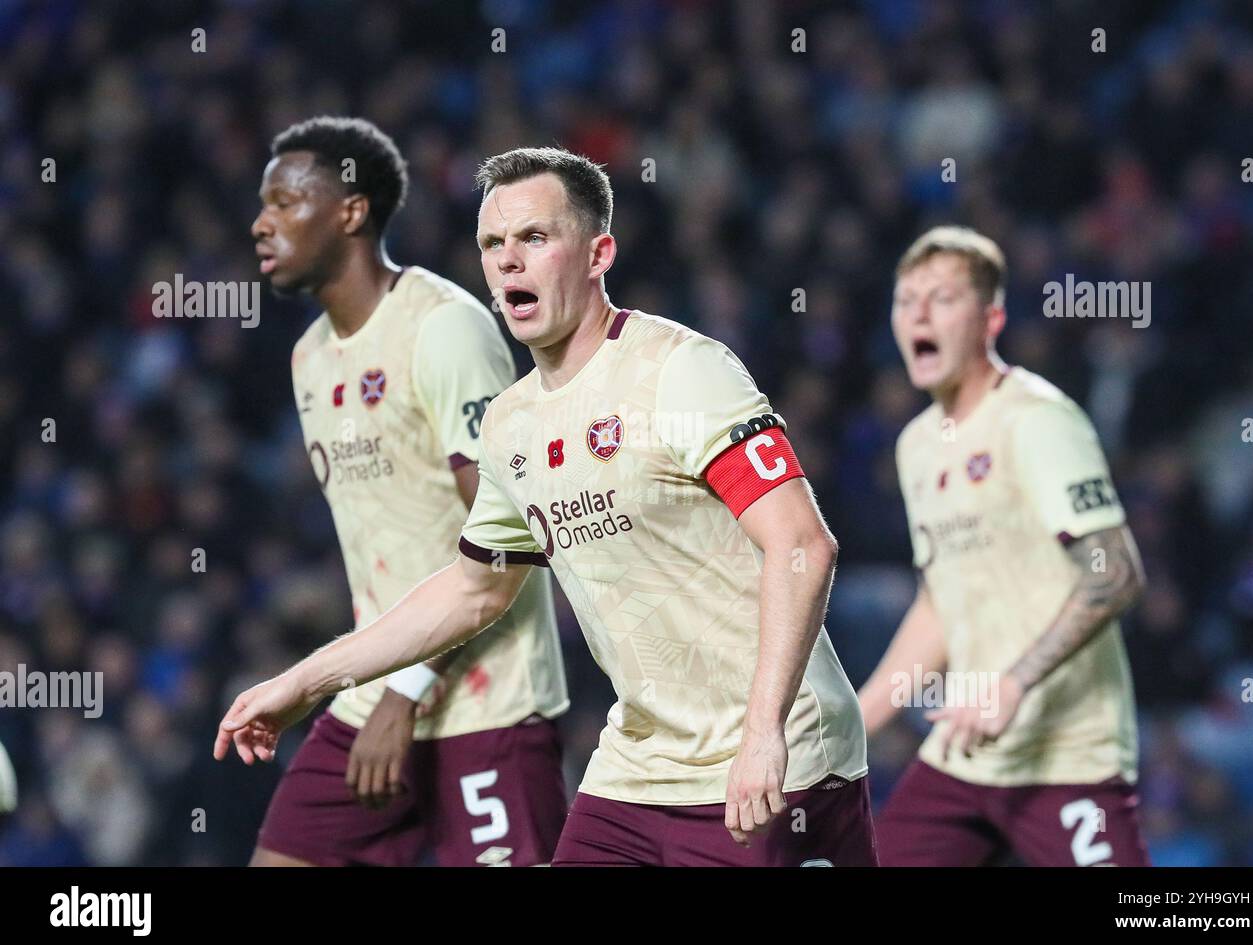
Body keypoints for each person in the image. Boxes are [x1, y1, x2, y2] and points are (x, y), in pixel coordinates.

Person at [219, 145, 873, 867]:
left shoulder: (680, 371)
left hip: (776, 755)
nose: (508, 261)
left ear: (599, 254)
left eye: (534, 237)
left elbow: (803, 545)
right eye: (493, 244)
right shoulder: (510, 425)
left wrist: (762, 732)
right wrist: (303, 682)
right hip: (638, 769)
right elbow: (474, 590)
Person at [246, 118, 569, 867]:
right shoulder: (310, 359)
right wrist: (383, 691)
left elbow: (514, 539)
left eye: (286, 203)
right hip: (370, 698)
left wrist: (409, 690)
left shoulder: (445, 330)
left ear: (351, 212)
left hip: (488, 702)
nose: (261, 223)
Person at [857, 226, 1151, 866]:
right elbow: (939, 607)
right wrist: (853, 726)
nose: (920, 315)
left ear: (991, 317)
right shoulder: (916, 445)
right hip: (965, 755)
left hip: (1066, 753)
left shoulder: (1037, 420)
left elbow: (1117, 571)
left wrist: (1012, 684)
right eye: (906, 301)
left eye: (942, 298)